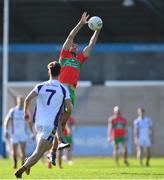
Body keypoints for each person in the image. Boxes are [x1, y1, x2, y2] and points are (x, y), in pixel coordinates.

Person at [48, 11, 102, 166]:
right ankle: (55, 144)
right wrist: (81, 23)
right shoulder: (64, 56)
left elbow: (91, 45)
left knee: (64, 121)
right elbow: (70, 37)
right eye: (73, 44)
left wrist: (97, 30)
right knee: (59, 119)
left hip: (71, 90)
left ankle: (52, 152)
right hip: (61, 88)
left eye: (76, 45)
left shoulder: (79, 59)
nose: (74, 45)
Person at [14, 61, 72, 178]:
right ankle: (21, 169)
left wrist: (26, 112)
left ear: (48, 72)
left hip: (38, 123)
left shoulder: (40, 86)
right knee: (39, 153)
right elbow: (69, 108)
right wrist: (63, 118)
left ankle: (28, 161)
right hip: (50, 125)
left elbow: (27, 100)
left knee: (46, 148)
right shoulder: (63, 89)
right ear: (60, 72)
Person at [4, 96, 34, 169]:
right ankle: (15, 163)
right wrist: (6, 130)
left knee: (23, 151)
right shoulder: (13, 111)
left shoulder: (25, 111)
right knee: (14, 152)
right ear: (17, 101)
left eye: (22, 101)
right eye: (19, 100)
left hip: (23, 134)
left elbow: (29, 122)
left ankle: (22, 166)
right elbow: (7, 120)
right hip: (14, 134)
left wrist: (32, 133)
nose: (21, 102)